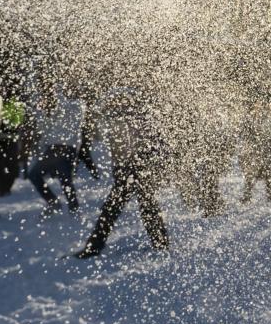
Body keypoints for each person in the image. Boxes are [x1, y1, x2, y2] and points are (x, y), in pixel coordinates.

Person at [76, 87, 169, 258]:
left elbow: (143, 146)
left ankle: (95, 247)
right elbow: (118, 149)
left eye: (114, 102)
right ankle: (160, 242)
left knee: (125, 207)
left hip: (138, 168)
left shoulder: (134, 117)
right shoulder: (118, 118)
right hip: (130, 169)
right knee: (140, 206)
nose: (110, 106)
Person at [27, 84, 98, 214]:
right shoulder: (54, 108)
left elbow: (64, 111)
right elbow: (44, 128)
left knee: (64, 179)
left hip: (66, 148)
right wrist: (41, 112)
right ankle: (59, 203)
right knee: (39, 176)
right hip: (53, 148)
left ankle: (71, 207)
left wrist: (51, 102)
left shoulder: (77, 105)